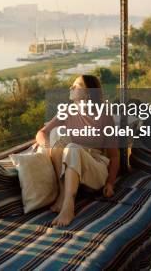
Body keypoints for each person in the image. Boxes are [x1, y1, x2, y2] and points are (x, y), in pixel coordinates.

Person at [35, 74, 119, 227]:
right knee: (57, 136)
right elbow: (41, 133)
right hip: (73, 171)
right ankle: (63, 192)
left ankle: (68, 207)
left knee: (72, 148)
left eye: (76, 86)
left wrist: (111, 183)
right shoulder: (67, 111)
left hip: (95, 168)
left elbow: (114, 154)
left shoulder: (104, 115)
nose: (71, 88)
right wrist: (48, 148)